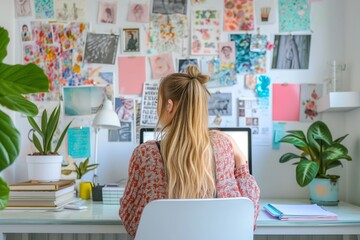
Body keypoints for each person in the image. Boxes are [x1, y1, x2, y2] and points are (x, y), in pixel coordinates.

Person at [119, 65, 260, 238]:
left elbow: (131, 220)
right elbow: (247, 217)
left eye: (159, 101)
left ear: (169, 105)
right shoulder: (223, 148)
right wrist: (240, 159)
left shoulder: (145, 154)